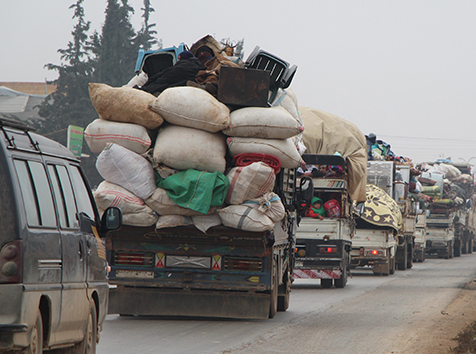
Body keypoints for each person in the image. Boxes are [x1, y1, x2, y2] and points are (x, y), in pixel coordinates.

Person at [137, 50, 206, 96]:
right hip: (185, 84)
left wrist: (146, 89)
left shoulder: (180, 68)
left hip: (171, 86)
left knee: (161, 85)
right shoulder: (199, 67)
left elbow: (164, 79)